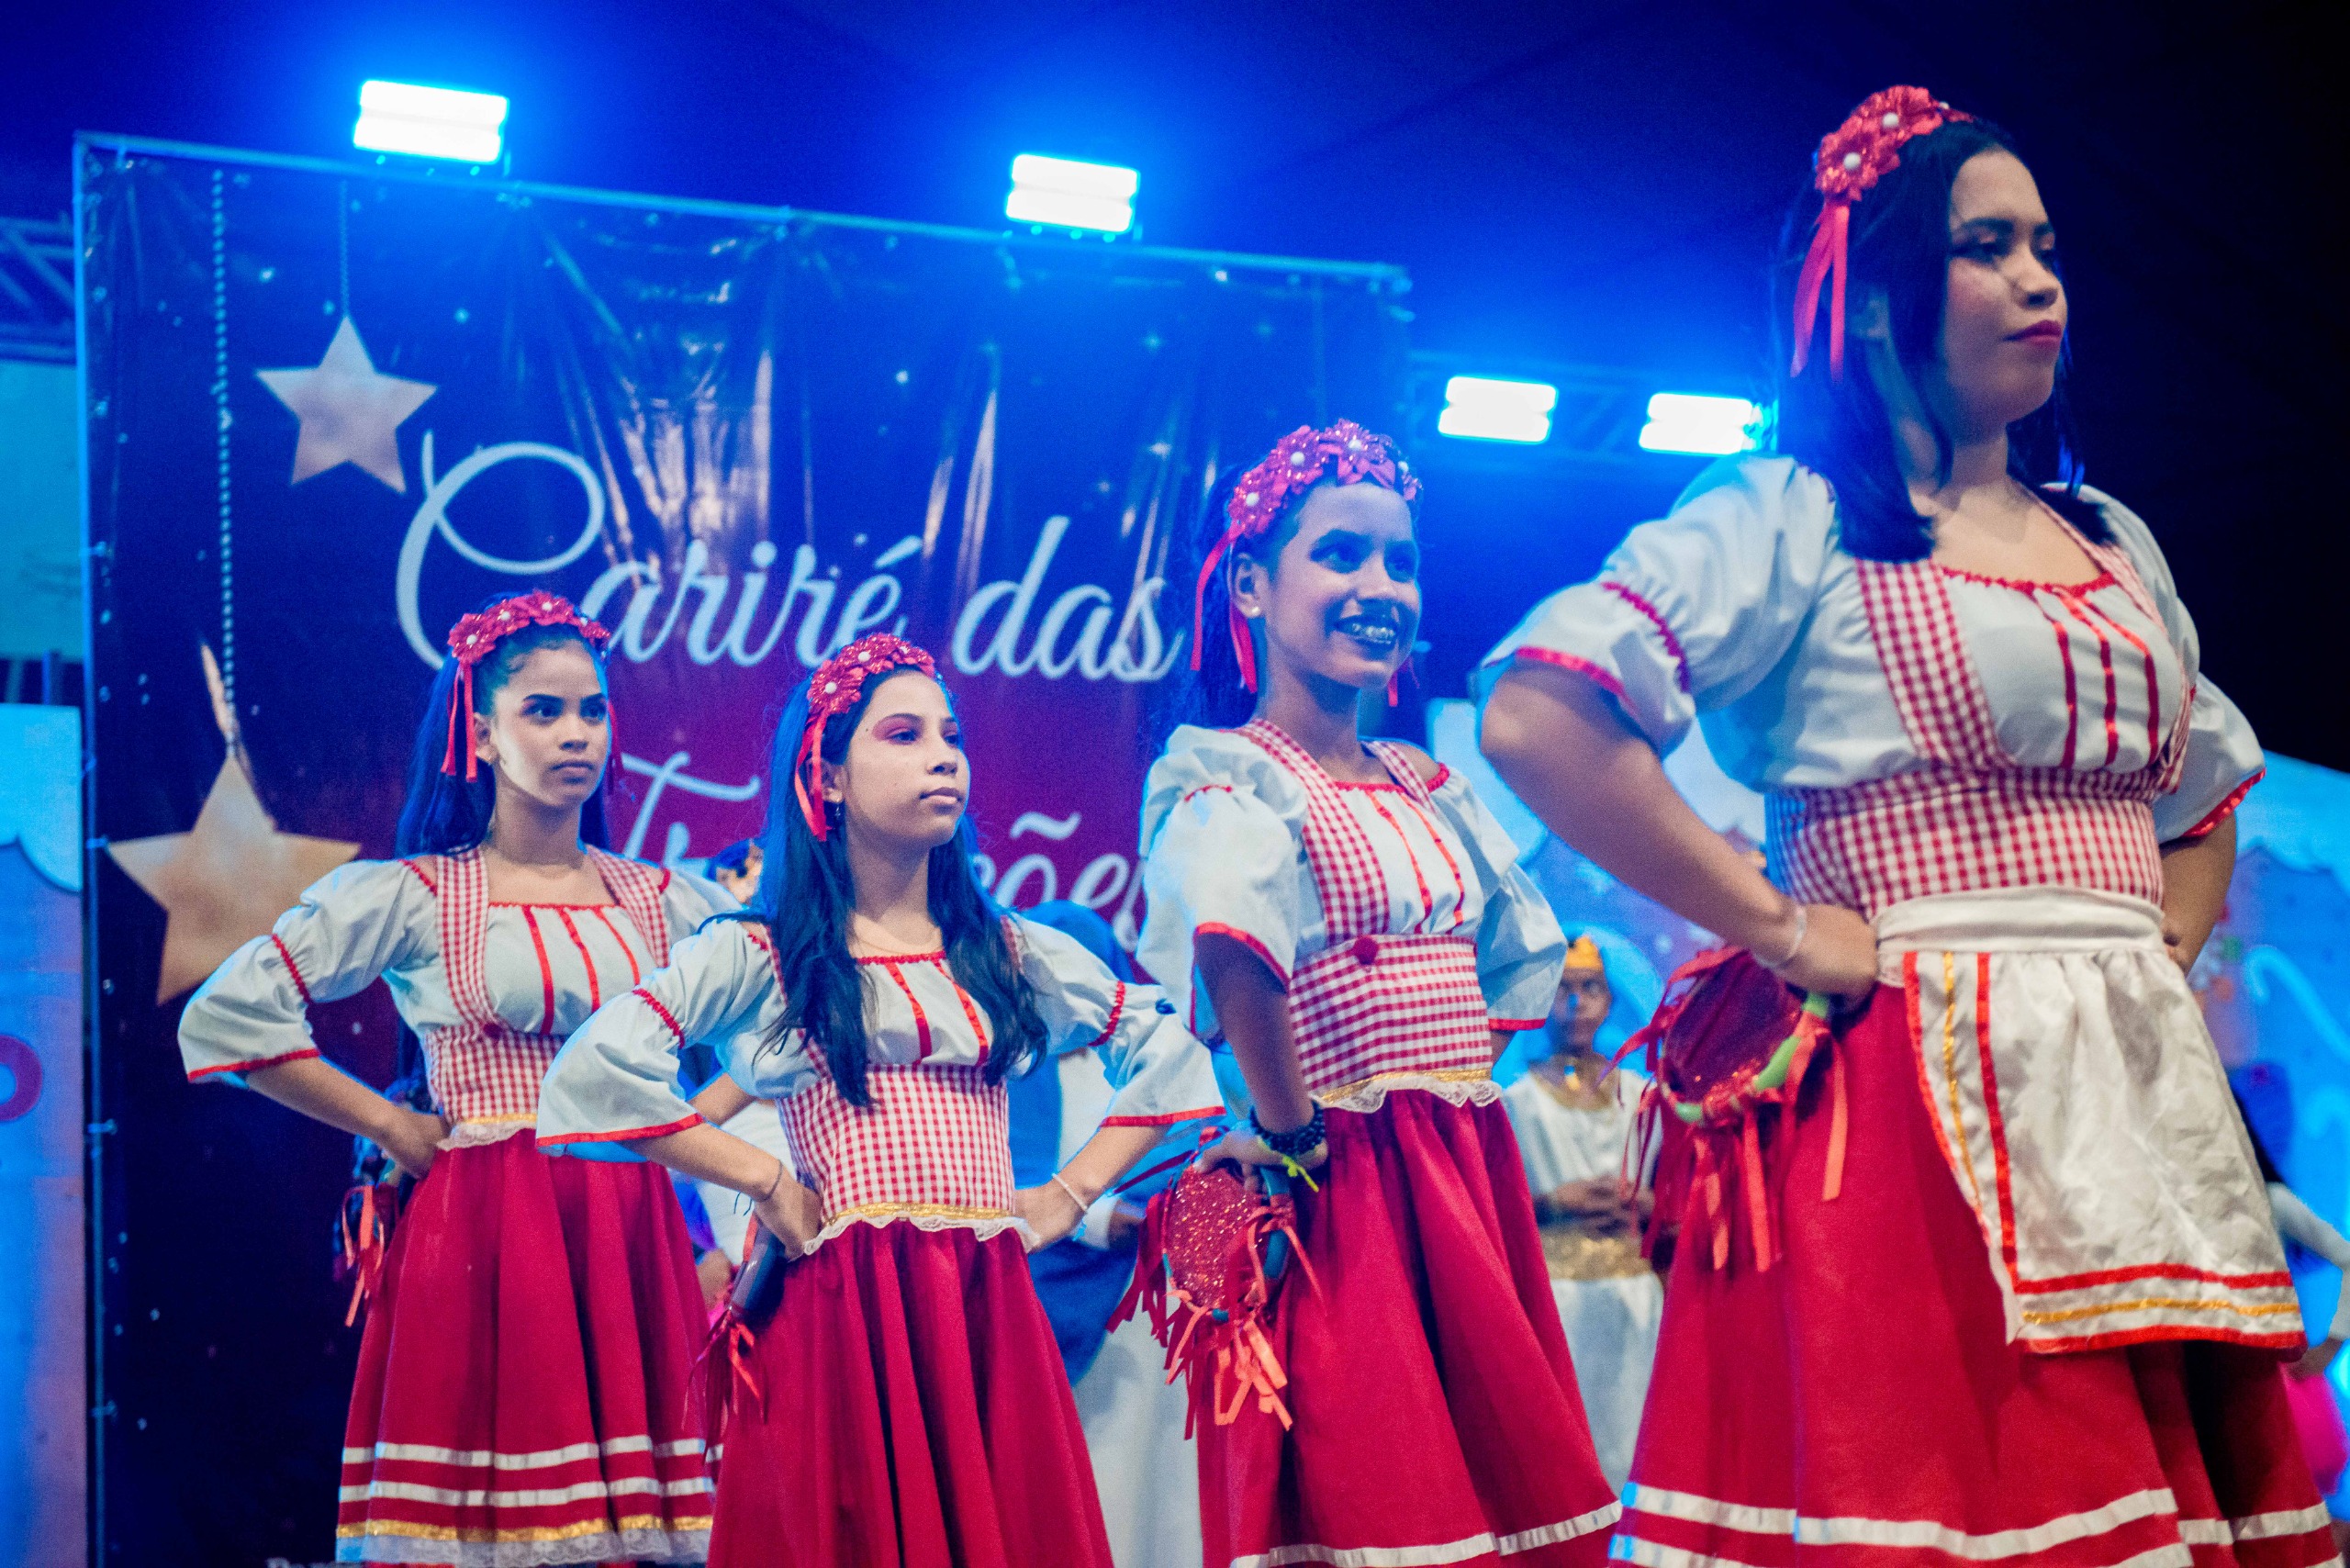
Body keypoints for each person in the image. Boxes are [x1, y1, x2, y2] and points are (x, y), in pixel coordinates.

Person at [1478, 86, 2326, 1568]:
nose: (2040, 279)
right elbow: (1541, 715)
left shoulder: (2111, 540)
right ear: (1871, 303)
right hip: (1908, 1107)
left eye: (2047, 245)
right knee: (1965, 1507)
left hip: (2135, 1102)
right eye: (1987, 247)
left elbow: (2206, 793)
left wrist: (2152, 960)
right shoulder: (1791, 514)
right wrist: (1782, 927)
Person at [535, 633, 1222, 1568]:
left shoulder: (1007, 949)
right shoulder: (765, 953)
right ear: (825, 775)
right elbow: (592, 1075)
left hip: (985, 1303)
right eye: (903, 734)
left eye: (951, 734)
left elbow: (1172, 1055)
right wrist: (764, 1179)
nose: (943, 755)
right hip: (846, 1308)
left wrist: (1067, 1196)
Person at [1139, 420, 1618, 1568]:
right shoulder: (1231, 771)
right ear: (1250, 586)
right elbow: (1232, 949)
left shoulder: (1424, 780)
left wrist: (1449, 1104)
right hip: (1344, 1179)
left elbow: (1502, 963)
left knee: (1500, 1483)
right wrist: (1293, 1127)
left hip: (1455, 1163)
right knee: (1381, 1494)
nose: (1380, 587)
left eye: (1400, 562)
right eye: (1340, 553)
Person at [178, 590, 723, 1565]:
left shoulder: (666, 901)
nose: (576, 733)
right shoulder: (421, 895)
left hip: (628, 1230)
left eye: (592, 710)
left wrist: (690, 1132)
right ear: (481, 730)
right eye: (543, 711)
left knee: (632, 1540)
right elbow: (225, 1015)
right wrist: (389, 1124)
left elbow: (793, 1033)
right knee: (489, 1526)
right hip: (488, 1226)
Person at [1014, 900, 1208, 1568]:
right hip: (1060, 1294)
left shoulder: (1148, 1051)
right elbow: (998, 1175)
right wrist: (1101, 1220)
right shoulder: (1011, 1070)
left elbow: (1195, 1139)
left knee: (1165, 1466)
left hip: (1163, 1300)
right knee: (1090, 1470)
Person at [1500, 933, 1662, 1493]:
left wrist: (1648, 1204)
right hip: (1556, 1297)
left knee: (1640, 1445)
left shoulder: (1643, 1096)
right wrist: (1551, 1203)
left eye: (1589, 988)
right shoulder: (1512, 1101)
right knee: (1565, 1455)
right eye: (1561, 989)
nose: (1575, 1004)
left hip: (1636, 1295)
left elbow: (1683, 1199)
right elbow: (1489, 1213)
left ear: (1609, 1000)